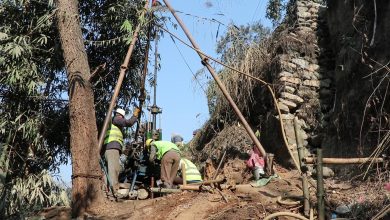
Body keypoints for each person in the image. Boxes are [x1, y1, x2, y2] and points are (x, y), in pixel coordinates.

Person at [103, 107, 140, 195]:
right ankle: (114, 191)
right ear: (121, 116)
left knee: (109, 170)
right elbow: (129, 123)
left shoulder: (113, 122)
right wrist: (135, 115)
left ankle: (106, 190)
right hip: (113, 147)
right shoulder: (116, 119)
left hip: (110, 148)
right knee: (114, 169)